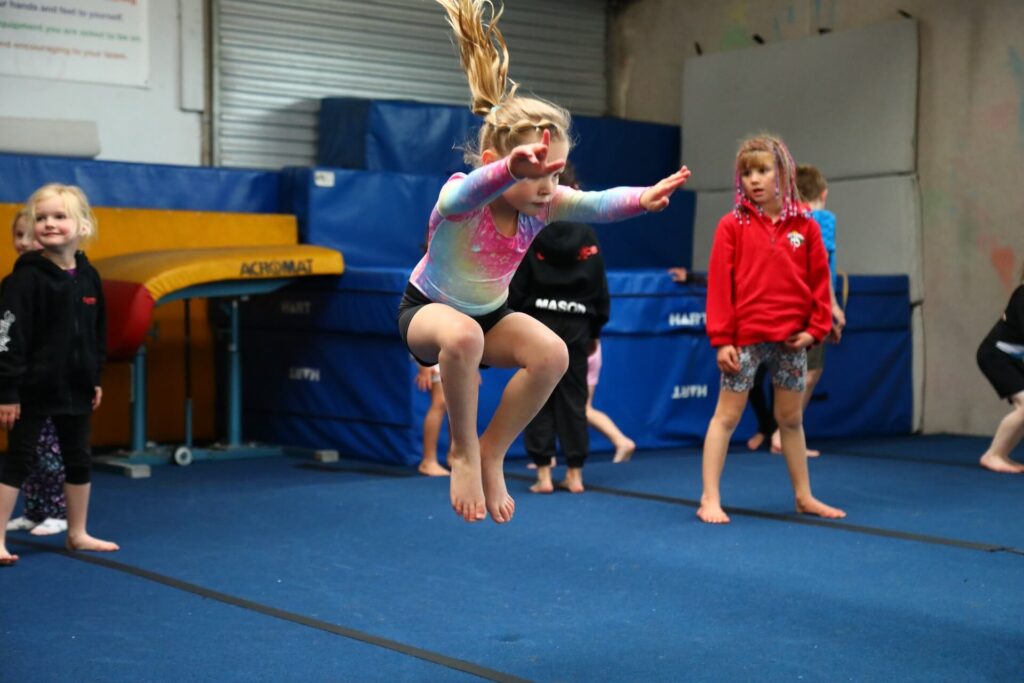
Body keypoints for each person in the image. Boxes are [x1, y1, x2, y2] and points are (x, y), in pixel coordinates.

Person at [398, 0, 691, 523]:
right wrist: (508, 170)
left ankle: (492, 448)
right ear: (498, 165)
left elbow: (597, 203)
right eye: (534, 175)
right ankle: (462, 449)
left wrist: (643, 198)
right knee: (462, 336)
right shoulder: (464, 196)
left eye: (553, 175)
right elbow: (455, 201)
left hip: (490, 316)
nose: (547, 188)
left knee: (553, 354)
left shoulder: (543, 206)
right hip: (428, 311)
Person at [697, 134, 845, 524]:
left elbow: (818, 283)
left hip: (791, 339)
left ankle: (804, 496)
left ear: (784, 174)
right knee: (726, 417)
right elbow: (720, 285)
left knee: (791, 418)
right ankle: (709, 497)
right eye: (747, 173)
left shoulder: (807, 228)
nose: (754, 180)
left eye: (763, 171)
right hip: (744, 338)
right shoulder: (732, 225)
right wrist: (722, 339)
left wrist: (817, 328)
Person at [0, 184, 119, 565]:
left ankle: (77, 532)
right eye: (42, 217)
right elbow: (8, 337)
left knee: (78, 457)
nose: (49, 223)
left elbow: (97, 331)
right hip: (32, 387)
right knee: (18, 459)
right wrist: (8, 390)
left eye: (60, 216)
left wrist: (95, 376)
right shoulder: (24, 280)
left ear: (83, 225)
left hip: (77, 386)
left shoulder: (89, 277)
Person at [508, 163, 612, 493]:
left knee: (537, 395)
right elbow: (599, 287)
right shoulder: (587, 235)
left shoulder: (531, 231)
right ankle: (576, 473)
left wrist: (514, 317)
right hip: (577, 322)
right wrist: (595, 328)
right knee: (574, 398)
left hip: (538, 320)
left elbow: (517, 284)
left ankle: (542, 474)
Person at [746, 164, 846, 456]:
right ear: (823, 194)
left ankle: (780, 432)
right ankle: (783, 434)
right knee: (810, 371)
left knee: (796, 370)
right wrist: (833, 308)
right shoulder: (821, 219)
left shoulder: (785, 219)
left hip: (783, 304)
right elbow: (821, 268)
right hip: (809, 306)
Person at [4, 208, 69, 536]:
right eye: (18, 235)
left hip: (48, 382)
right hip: (21, 380)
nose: (24, 242)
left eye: (31, 235)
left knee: (48, 448)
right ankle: (34, 509)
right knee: (23, 450)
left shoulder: (57, 282)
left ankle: (58, 510)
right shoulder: (12, 281)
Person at [975, 268, 1024, 473]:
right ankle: (993, 455)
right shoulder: (1023, 294)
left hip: (1012, 358)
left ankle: (1001, 454)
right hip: (995, 356)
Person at [415, 364, 451, 476]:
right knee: (440, 402)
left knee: (458, 405)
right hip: (435, 356)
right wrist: (424, 365)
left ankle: (456, 455)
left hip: (458, 355)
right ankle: (428, 461)